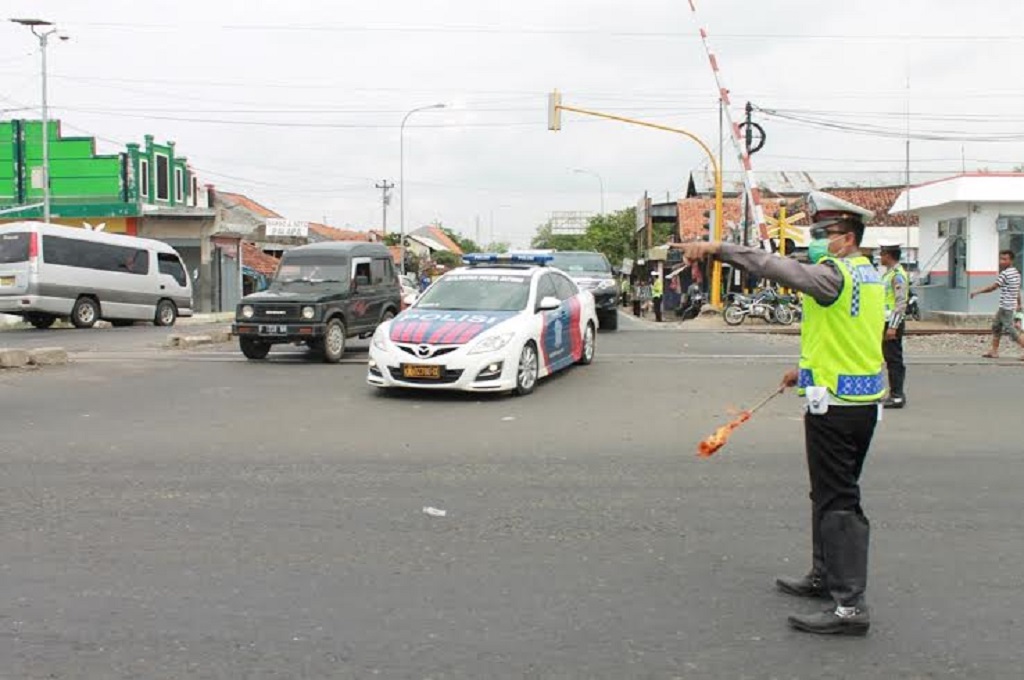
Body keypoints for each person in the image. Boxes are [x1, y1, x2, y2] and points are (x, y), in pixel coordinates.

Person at [681, 190, 884, 637]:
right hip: (853, 400)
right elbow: (850, 336)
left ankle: (850, 607)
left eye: (822, 234)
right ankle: (823, 576)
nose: (813, 242)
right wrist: (804, 369)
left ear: (847, 239)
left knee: (839, 502)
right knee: (827, 495)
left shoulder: (834, 276)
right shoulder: (867, 274)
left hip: (836, 408)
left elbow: (776, 267)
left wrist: (720, 248)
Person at [970, 250, 1024, 359]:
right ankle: (993, 351)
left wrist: (978, 292)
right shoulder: (1016, 273)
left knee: (1010, 329)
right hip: (1007, 306)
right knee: (996, 326)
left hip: (1006, 307)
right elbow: (1017, 289)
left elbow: (993, 287)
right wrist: (1019, 303)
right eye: (1001, 259)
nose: (1001, 262)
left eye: (1005, 259)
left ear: (1011, 260)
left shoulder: (1005, 273)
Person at [878, 242, 909, 408]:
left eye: (882, 254)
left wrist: (893, 327)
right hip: (886, 321)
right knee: (889, 358)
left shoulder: (897, 275)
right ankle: (894, 393)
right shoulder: (889, 274)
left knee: (894, 360)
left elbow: (900, 302)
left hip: (892, 322)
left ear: (888, 255)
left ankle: (897, 395)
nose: (880, 257)